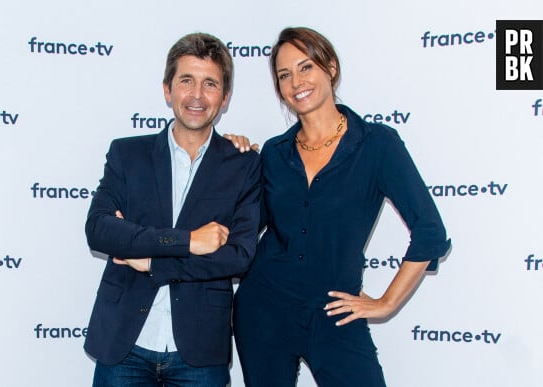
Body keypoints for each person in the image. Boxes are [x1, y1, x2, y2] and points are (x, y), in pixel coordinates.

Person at [232, 26, 451, 386]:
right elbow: (245, 229)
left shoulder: (377, 144)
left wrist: (386, 303)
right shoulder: (274, 152)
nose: (295, 82)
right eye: (284, 75)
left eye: (306, 67)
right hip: (263, 309)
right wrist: (228, 158)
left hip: (336, 311)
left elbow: (430, 232)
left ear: (330, 67)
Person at [84, 32, 261, 387]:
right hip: (124, 344)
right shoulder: (127, 153)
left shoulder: (244, 165)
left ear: (224, 98)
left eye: (210, 84)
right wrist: (187, 241)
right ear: (167, 90)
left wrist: (150, 259)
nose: (197, 95)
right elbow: (100, 230)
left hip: (199, 350)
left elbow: (238, 256)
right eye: (186, 81)